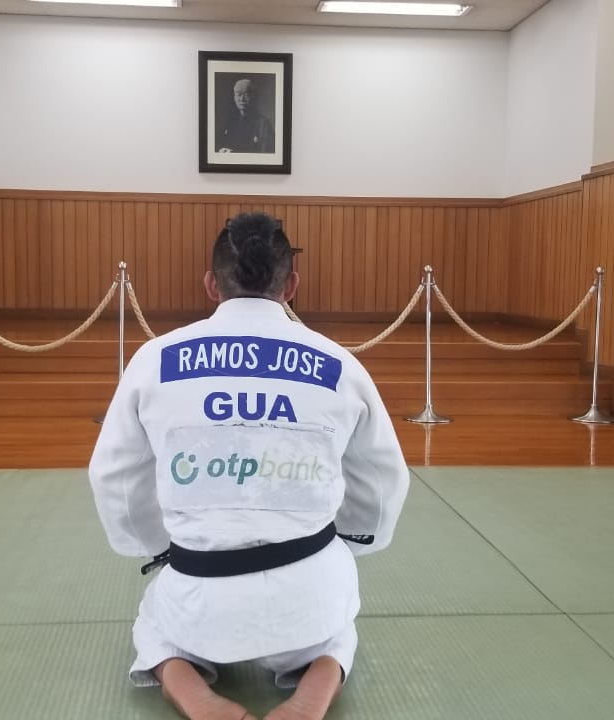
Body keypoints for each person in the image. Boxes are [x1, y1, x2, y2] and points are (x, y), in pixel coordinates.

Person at [88, 211, 410, 720]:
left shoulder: (155, 359)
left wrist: (153, 546)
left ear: (212, 285)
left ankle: (197, 697)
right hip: (307, 593)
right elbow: (382, 475)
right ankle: (313, 691)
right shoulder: (338, 364)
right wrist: (352, 539)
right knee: (337, 624)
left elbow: (115, 474)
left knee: (155, 624)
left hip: (200, 592)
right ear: (292, 286)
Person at [217, 78, 276, 153]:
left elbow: (266, 155)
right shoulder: (230, 122)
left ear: (254, 97)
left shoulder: (263, 124)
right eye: (239, 94)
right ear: (234, 97)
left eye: (246, 95)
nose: (242, 99)